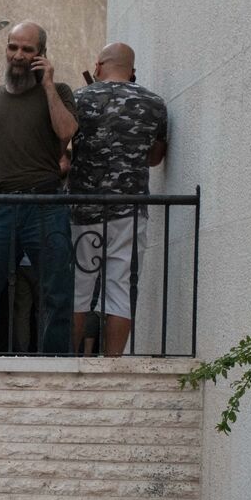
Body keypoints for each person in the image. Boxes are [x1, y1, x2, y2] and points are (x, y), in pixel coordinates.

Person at [0, 21, 78, 354]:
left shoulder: (59, 92)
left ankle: (56, 365)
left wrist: (48, 85)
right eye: (12, 47)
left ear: (41, 54)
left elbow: (67, 131)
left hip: (46, 206)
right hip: (1, 207)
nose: (18, 55)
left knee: (56, 292)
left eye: (27, 49)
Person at [69, 42, 168, 355]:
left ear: (98, 66)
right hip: (130, 210)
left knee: (78, 290)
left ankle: (68, 361)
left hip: (83, 209)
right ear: (132, 71)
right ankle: (113, 363)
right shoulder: (155, 104)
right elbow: (155, 157)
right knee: (120, 290)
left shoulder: (78, 99)